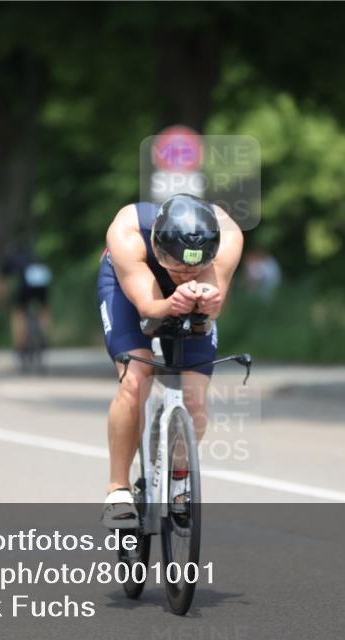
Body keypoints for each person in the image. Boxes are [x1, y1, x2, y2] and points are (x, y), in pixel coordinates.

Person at [97, 193, 243, 526]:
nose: (185, 275)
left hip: (189, 293)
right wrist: (171, 302)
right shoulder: (127, 232)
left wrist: (204, 299)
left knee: (195, 397)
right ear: (157, 245)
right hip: (129, 288)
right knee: (136, 377)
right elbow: (149, 311)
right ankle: (117, 488)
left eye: (194, 268)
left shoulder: (228, 236)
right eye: (178, 268)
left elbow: (213, 307)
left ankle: (178, 478)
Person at [0, 242, 51, 366]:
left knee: (18, 312)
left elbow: (2, 284)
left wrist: (3, 302)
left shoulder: (9, 259)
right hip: (42, 279)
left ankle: (20, 345)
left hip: (27, 283)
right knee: (44, 308)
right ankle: (44, 335)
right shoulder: (34, 256)